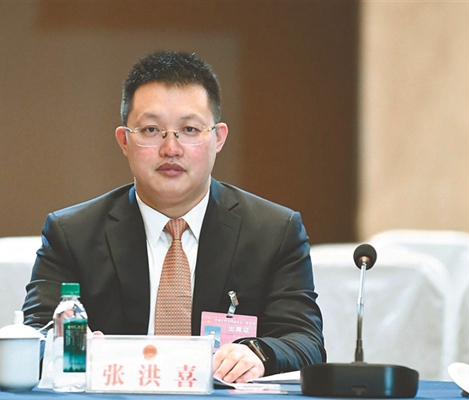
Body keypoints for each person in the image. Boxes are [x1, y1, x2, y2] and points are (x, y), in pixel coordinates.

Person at [22, 50, 325, 383]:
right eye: (152, 129)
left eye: (190, 129)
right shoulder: (72, 234)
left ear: (218, 138)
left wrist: (257, 353)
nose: (171, 149)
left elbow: (305, 341)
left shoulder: (273, 231)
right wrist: (70, 346)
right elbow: (35, 335)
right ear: (124, 140)